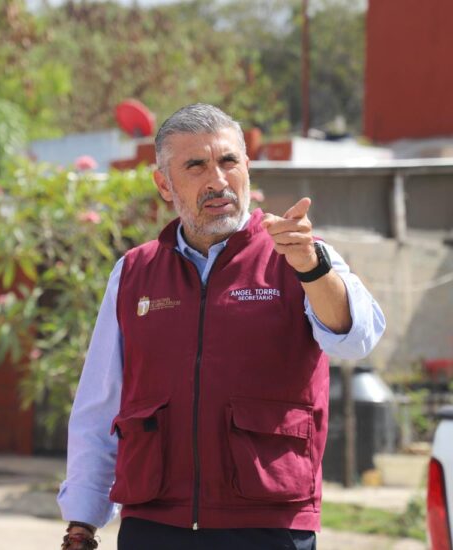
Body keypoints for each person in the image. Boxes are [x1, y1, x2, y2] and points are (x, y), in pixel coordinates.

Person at [57, 103, 386, 550]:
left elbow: (357, 339)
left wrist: (310, 269)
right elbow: (99, 404)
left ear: (247, 168)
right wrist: (82, 520)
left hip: (268, 524)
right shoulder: (134, 273)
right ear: (164, 185)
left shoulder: (300, 254)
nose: (217, 180)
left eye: (229, 161)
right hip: (155, 524)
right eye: (195, 166)